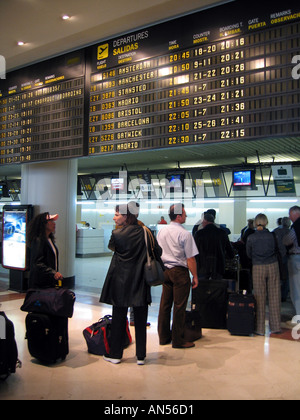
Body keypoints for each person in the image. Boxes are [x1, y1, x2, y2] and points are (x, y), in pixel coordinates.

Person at [100, 203, 162, 364]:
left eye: (117, 214)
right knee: (141, 318)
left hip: (121, 280)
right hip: (141, 279)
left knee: (119, 317)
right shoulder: (146, 231)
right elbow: (158, 251)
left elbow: (112, 247)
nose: (114, 218)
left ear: (126, 216)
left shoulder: (117, 234)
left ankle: (115, 355)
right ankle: (141, 356)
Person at [157, 203, 198, 349]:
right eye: (185, 214)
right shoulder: (185, 234)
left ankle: (163, 337)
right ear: (179, 216)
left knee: (165, 305)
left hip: (165, 272)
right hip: (179, 273)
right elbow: (190, 258)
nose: (186, 216)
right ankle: (178, 340)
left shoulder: (162, 231)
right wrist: (195, 276)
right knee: (179, 306)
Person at [246, 213, 281, 335]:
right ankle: (276, 326)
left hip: (258, 266)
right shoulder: (273, 235)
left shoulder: (251, 237)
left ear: (256, 223)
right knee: (274, 296)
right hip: (273, 265)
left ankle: (259, 328)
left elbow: (248, 254)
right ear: (266, 222)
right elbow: (279, 250)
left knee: (259, 297)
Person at [194, 212, 235, 281]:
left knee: (202, 288)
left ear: (205, 221)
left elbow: (194, 251)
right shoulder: (222, 233)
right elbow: (229, 250)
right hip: (218, 266)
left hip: (202, 266)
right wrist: (231, 256)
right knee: (216, 288)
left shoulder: (199, 234)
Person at [27, 212, 63, 289]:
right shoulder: (38, 240)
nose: (54, 224)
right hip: (40, 284)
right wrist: (53, 273)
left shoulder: (49, 240)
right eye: (51, 221)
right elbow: (37, 263)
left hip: (49, 281)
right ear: (44, 224)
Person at [283, 206, 300, 321]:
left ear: (295, 214)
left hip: (296, 259)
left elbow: (287, 240)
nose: (289, 217)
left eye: (290, 214)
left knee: (296, 288)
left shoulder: (296, 226)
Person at [273, 216, 291, 301]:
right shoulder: (290, 232)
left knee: (277, 276)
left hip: (276, 257)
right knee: (286, 277)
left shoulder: (275, 231)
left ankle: (276, 294)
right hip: (287, 256)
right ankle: (284, 295)